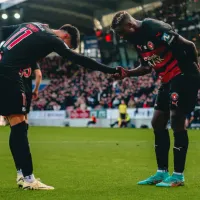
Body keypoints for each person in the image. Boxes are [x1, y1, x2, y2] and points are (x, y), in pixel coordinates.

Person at [0, 22, 119, 190]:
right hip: (9, 73)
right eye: (67, 46)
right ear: (66, 36)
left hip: (5, 67)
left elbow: (4, 30)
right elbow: (79, 59)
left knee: (18, 124)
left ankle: (22, 174)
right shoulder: (52, 39)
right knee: (19, 125)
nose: (63, 49)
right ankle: (28, 179)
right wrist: (111, 70)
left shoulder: (34, 25)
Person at [111, 11, 200, 187]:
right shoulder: (135, 39)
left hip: (183, 74)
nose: (121, 37)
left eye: (121, 32)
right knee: (158, 122)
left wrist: (195, 72)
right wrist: (127, 73)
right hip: (167, 79)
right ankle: (161, 172)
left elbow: (189, 46)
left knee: (176, 120)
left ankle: (178, 176)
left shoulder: (155, 28)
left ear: (130, 26)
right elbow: (146, 67)